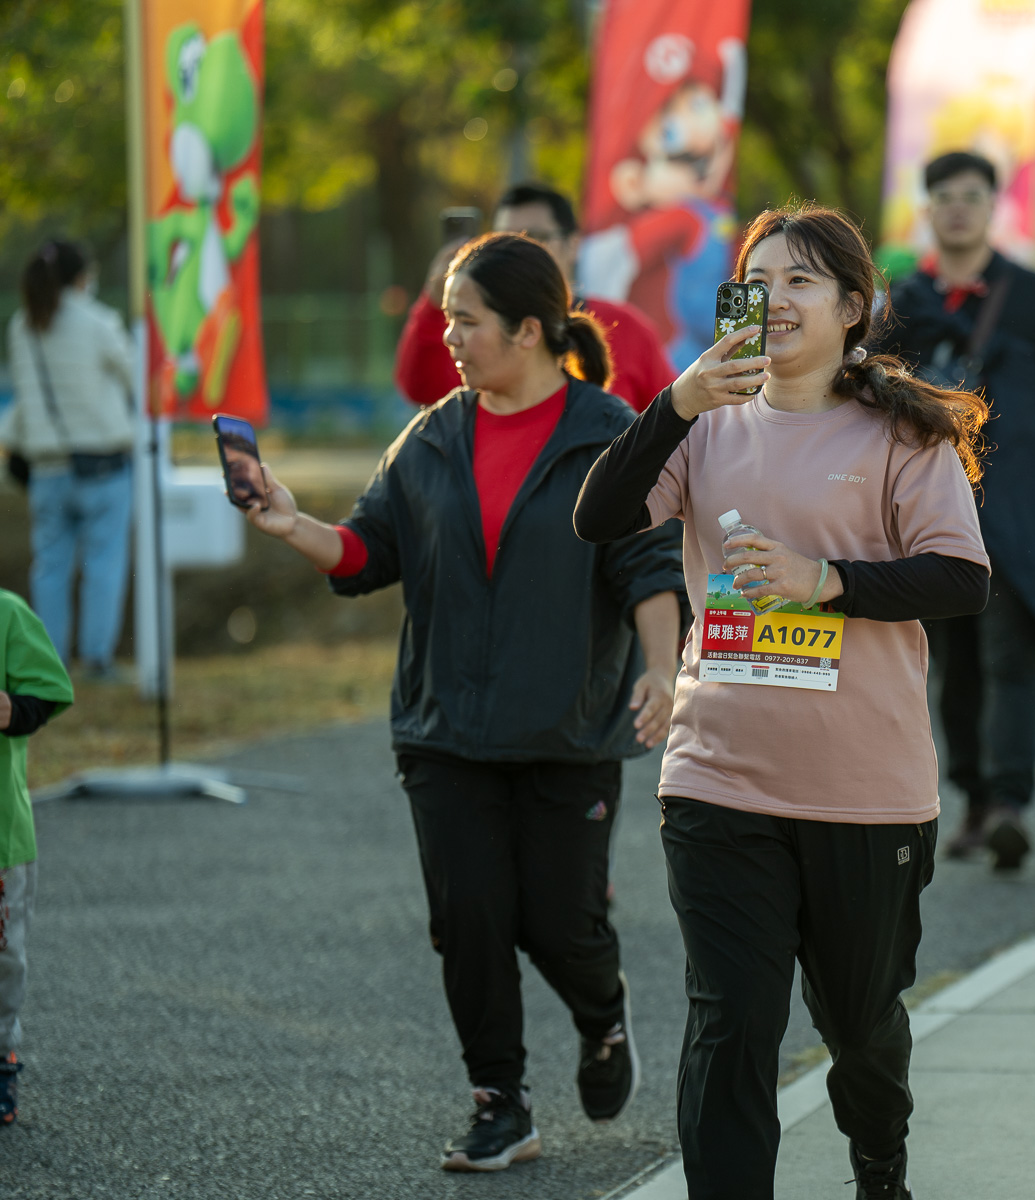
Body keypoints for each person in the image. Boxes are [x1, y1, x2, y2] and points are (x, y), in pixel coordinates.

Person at [572, 202, 991, 1200]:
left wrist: (825, 581)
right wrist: (674, 402)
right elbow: (599, 516)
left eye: (801, 279)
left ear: (852, 307)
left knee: (860, 1026)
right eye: (758, 281)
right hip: (718, 776)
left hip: (865, 791)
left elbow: (961, 579)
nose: (776, 297)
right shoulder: (704, 424)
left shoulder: (901, 435)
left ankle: (878, 1165)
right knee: (731, 1022)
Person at [243, 233, 686, 1172]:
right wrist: (291, 523)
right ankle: (500, 1103)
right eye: (448, 318)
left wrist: (660, 670)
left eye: (464, 320)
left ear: (528, 330)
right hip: (444, 729)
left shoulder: (608, 432)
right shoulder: (433, 436)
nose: (447, 336)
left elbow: (649, 565)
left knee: (559, 924)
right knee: (470, 919)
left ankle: (603, 1016)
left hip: (566, 729)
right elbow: (370, 550)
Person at [878, 150, 1035, 870]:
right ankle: (977, 799)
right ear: (928, 210)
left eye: (971, 196)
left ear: (993, 208)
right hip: (925, 516)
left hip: (1018, 513)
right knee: (952, 666)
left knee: (1012, 656)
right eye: (945, 197)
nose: (958, 209)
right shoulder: (903, 303)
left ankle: (1010, 804)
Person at [394, 182, 677, 411]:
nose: (520, 253)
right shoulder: (475, 328)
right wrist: (436, 304)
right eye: (505, 240)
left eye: (535, 237)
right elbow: (420, 390)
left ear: (572, 245)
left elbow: (676, 424)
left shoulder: (625, 327)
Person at [1, 241, 136, 678]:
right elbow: (136, 376)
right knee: (104, 565)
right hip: (104, 466)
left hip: (47, 468)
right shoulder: (99, 322)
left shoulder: (23, 325)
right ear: (81, 277)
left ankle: (49, 663)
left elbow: (25, 397)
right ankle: (97, 660)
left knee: (51, 569)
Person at [0, 588, 75, 1129]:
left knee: (3, 957)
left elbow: (49, 690)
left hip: (2, 838)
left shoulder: (7, 613)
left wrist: (13, 710)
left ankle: (0, 1056)